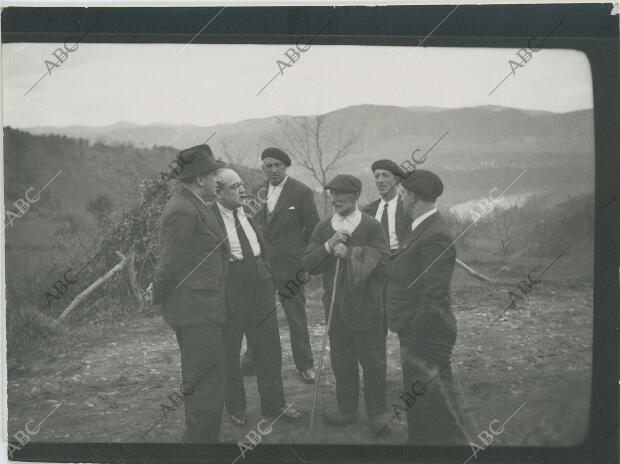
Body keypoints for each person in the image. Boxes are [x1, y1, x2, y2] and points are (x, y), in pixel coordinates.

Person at [212, 167, 302, 427]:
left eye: (241, 184)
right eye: (235, 186)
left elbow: (261, 244)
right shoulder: (208, 216)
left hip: (260, 279)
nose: (242, 189)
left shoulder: (248, 209)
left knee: (269, 345)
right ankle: (236, 406)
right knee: (230, 346)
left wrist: (267, 274)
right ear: (217, 191)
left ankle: (275, 405)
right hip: (232, 284)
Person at [303, 174, 391, 436]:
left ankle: (377, 413)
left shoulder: (371, 226)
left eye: (341, 194)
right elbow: (308, 264)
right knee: (342, 360)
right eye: (332, 194)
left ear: (355, 196)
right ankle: (347, 409)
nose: (335, 199)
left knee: (373, 361)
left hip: (367, 306)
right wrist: (330, 246)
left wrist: (351, 253)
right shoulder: (323, 228)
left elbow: (384, 263)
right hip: (336, 307)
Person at [151, 144, 228, 442]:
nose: (217, 179)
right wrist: (156, 294)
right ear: (199, 179)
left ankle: (201, 441)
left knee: (205, 380)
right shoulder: (183, 209)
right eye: (213, 174)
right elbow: (171, 262)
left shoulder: (194, 204)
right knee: (205, 382)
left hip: (203, 307)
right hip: (195, 311)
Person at [386, 169, 468, 445]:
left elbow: (434, 294)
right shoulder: (419, 227)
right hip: (414, 331)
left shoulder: (435, 235)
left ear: (412, 197)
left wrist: (416, 334)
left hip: (427, 335)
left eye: (402, 194)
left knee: (438, 409)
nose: (401, 199)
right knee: (419, 401)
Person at [243, 147, 320, 384]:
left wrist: (304, 262)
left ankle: (305, 365)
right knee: (259, 315)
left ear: (285, 166)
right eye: (268, 165)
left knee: (295, 317)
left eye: (277, 165)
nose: (273, 170)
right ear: (263, 168)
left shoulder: (301, 192)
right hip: (262, 267)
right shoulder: (258, 192)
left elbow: (314, 230)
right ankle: (252, 360)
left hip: (291, 268)